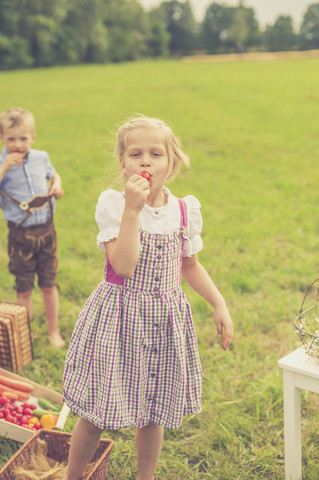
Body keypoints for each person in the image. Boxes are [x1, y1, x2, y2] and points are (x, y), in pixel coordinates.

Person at [63, 115, 233, 480]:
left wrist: (218, 303)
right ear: (122, 163)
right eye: (135, 154)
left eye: (156, 153)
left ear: (172, 162)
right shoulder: (114, 204)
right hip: (119, 320)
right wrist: (132, 211)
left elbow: (190, 266)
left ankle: (147, 476)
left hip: (163, 322)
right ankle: (73, 475)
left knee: (153, 410)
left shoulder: (184, 210)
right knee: (95, 412)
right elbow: (123, 267)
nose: (145, 161)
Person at [0, 107, 65, 348]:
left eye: (23, 138)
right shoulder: (1, 163)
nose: (17, 144)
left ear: (33, 137)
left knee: (49, 284)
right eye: (11, 139)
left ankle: (53, 331)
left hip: (47, 231)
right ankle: (23, 336)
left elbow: (54, 175)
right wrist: (5, 167)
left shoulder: (41, 157)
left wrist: (56, 186)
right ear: (2, 139)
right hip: (20, 235)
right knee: (24, 289)